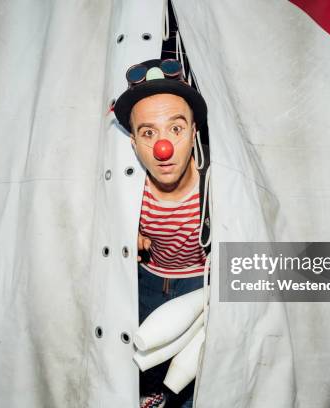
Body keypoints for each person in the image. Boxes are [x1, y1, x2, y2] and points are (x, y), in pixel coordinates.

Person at [114, 58, 211, 408]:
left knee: (191, 375)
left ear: (194, 132)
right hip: (146, 283)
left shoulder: (216, 188)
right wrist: (125, 229)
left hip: (196, 287)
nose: (162, 147)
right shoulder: (126, 191)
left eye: (175, 128)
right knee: (138, 365)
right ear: (134, 144)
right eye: (148, 132)